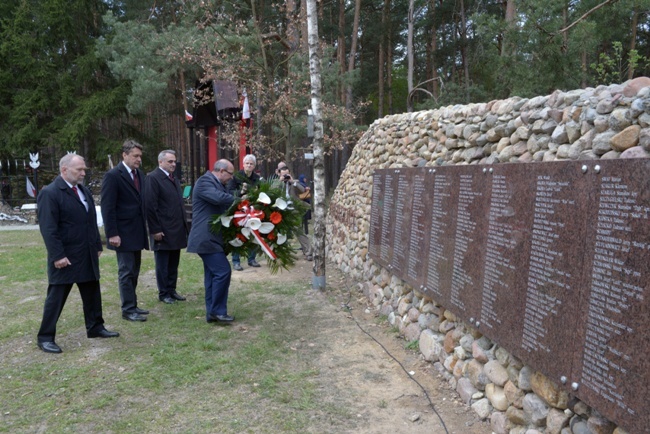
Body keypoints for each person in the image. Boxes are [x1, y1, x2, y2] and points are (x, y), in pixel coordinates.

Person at [36, 154, 119, 353]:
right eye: (79, 170)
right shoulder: (51, 192)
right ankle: (45, 337)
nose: (83, 173)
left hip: (87, 253)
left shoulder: (83, 191)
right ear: (64, 170)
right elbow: (48, 228)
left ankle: (95, 327)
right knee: (56, 297)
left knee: (92, 292)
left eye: (84, 169)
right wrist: (57, 256)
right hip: (65, 256)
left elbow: (89, 221)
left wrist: (97, 245)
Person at [101, 139, 150, 322]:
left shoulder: (140, 174)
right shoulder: (113, 176)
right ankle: (128, 309)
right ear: (124, 155)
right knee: (126, 271)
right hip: (121, 233)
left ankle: (133, 304)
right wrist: (112, 233)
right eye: (135, 156)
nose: (139, 159)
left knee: (134, 270)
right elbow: (108, 207)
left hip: (136, 231)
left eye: (140, 156)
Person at [186, 159, 237, 323]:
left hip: (213, 238)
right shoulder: (204, 182)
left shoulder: (218, 184)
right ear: (221, 171)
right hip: (205, 238)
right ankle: (218, 312)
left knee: (212, 275)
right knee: (223, 271)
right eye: (230, 174)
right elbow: (219, 199)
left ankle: (212, 313)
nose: (231, 178)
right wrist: (240, 200)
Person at [145, 150, 189, 304]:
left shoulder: (173, 179)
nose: (173, 164)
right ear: (160, 162)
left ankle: (171, 289)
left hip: (176, 228)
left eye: (174, 161)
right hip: (162, 229)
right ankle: (163, 293)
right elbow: (150, 205)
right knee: (162, 263)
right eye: (170, 161)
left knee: (173, 263)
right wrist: (155, 229)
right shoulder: (153, 178)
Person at [227, 154, 261, 271]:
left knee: (254, 233)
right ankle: (236, 261)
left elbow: (262, 192)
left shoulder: (257, 178)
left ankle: (252, 259)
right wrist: (241, 193)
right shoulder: (236, 177)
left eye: (251, 163)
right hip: (238, 210)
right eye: (247, 163)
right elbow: (229, 191)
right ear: (243, 164)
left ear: (254, 166)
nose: (249, 165)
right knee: (238, 235)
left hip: (253, 210)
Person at [277, 166, 313, 261]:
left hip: (293, 210)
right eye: (283, 174)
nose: (285, 176)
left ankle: (308, 252)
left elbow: (303, 190)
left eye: (287, 174)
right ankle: (281, 253)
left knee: (299, 231)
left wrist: (292, 182)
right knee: (280, 233)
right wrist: (280, 181)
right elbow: (272, 190)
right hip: (280, 211)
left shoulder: (294, 182)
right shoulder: (277, 183)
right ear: (279, 173)